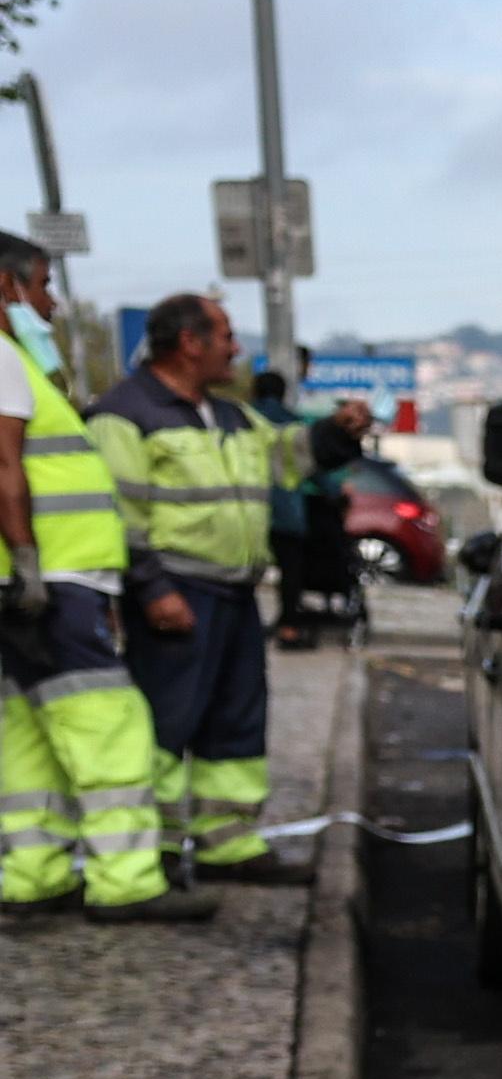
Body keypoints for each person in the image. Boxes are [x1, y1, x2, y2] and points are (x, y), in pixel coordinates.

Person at [0, 243, 196, 918]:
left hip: (29, 582)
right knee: (107, 723)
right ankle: (126, 881)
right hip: (50, 580)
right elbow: (6, 467)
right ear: (7, 284)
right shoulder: (3, 358)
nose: (50, 304)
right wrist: (29, 564)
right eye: (44, 287)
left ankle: (34, 873)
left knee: (26, 732)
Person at [90, 293, 286, 884]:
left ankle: (227, 844)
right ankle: (160, 851)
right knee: (167, 724)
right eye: (226, 336)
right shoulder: (125, 415)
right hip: (178, 593)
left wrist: (338, 434)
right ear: (190, 343)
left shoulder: (231, 415)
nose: (236, 349)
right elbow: (116, 516)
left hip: (234, 593)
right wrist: (151, 590)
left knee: (236, 723)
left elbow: (286, 462)